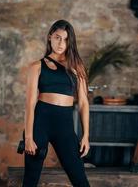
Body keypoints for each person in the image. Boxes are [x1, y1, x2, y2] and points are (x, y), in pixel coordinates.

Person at [22, 19, 91, 187]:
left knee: (79, 178)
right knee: (30, 178)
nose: (61, 43)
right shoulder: (36, 67)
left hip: (64, 125)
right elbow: (30, 104)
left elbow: (83, 103)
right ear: (50, 37)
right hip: (41, 122)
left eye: (66, 39)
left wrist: (86, 135)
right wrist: (28, 137)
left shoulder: (77, 67)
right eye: (58, 37)